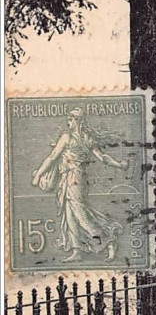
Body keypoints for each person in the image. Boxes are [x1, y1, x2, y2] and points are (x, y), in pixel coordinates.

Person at [31, 108, 126, 262]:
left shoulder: (67, 137)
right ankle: (77, 251)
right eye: (68, 118)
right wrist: (120, 165)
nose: (68, 121)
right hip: (71, 177)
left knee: (80, 214)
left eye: (71, 118)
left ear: (78, 120)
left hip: (73, 178)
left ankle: (109, 240)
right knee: (70, 215)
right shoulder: (87, 139)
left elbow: (52, 157)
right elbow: (103, 157)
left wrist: (38, 175)